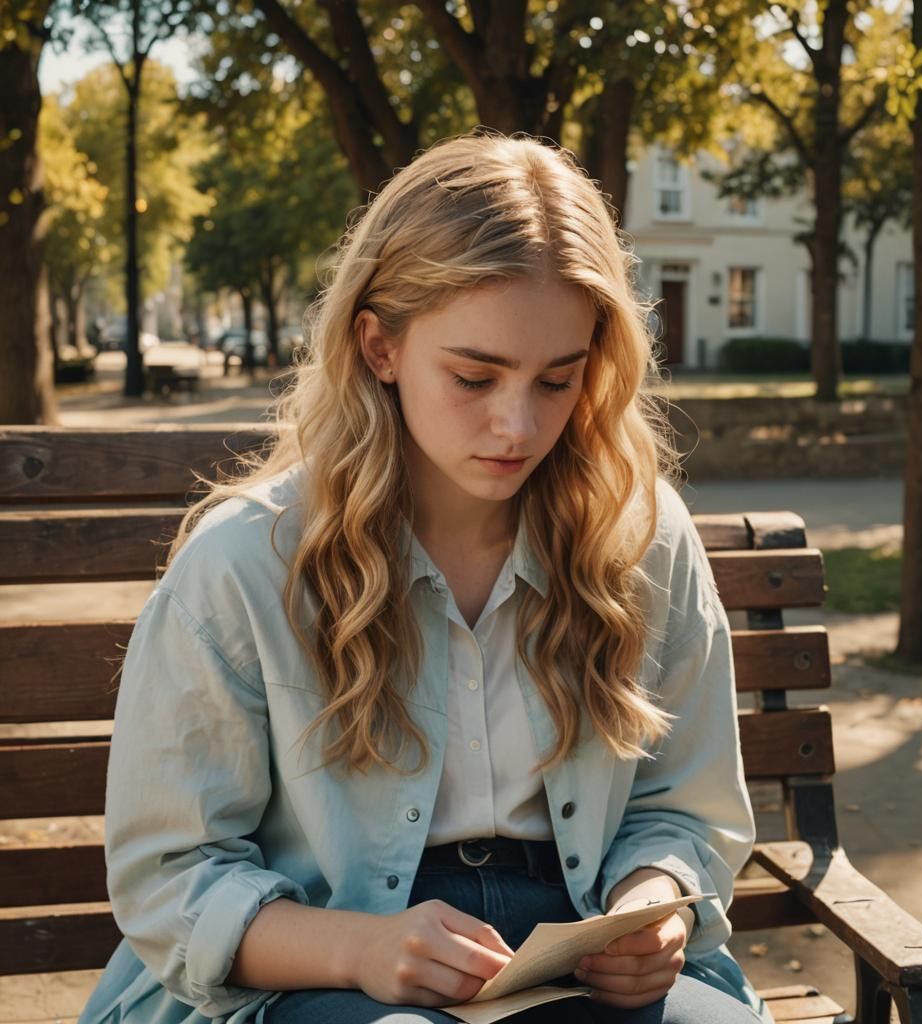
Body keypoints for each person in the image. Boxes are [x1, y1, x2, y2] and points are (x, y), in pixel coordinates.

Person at [79, 132, 772, 1024]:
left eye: (557, 380)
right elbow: (168, 877)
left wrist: (651, 902)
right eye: (474, 377)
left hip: (573, 953)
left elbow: (687, 803)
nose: (517, 426)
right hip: (314, 964)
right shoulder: (246, 563)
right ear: (379, 346)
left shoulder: (639, 539)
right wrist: (360, 949)